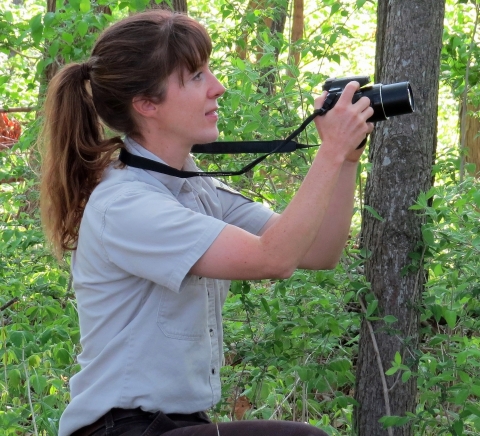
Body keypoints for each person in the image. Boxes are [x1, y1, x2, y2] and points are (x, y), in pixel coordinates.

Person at [39, 9, 374, 436]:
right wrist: (327, 151)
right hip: (121, 429)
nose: (218, 86)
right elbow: (274, 259)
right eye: (196, 76)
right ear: (146, 104)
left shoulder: (194, 190)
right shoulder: (126, 205)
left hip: (176, 427)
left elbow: (318, 252)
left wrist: (345, 157)